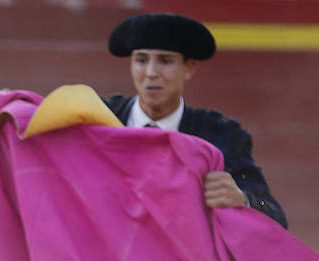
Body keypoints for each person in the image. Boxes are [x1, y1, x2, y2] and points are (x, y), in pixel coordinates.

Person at [102, 13, 288, 229]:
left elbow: (274, 215)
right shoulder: (99, 120)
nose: (151, 73)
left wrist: (244, 200)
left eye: (165, 61)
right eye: (141, 60)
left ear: (188, 68)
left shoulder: (221, 136)